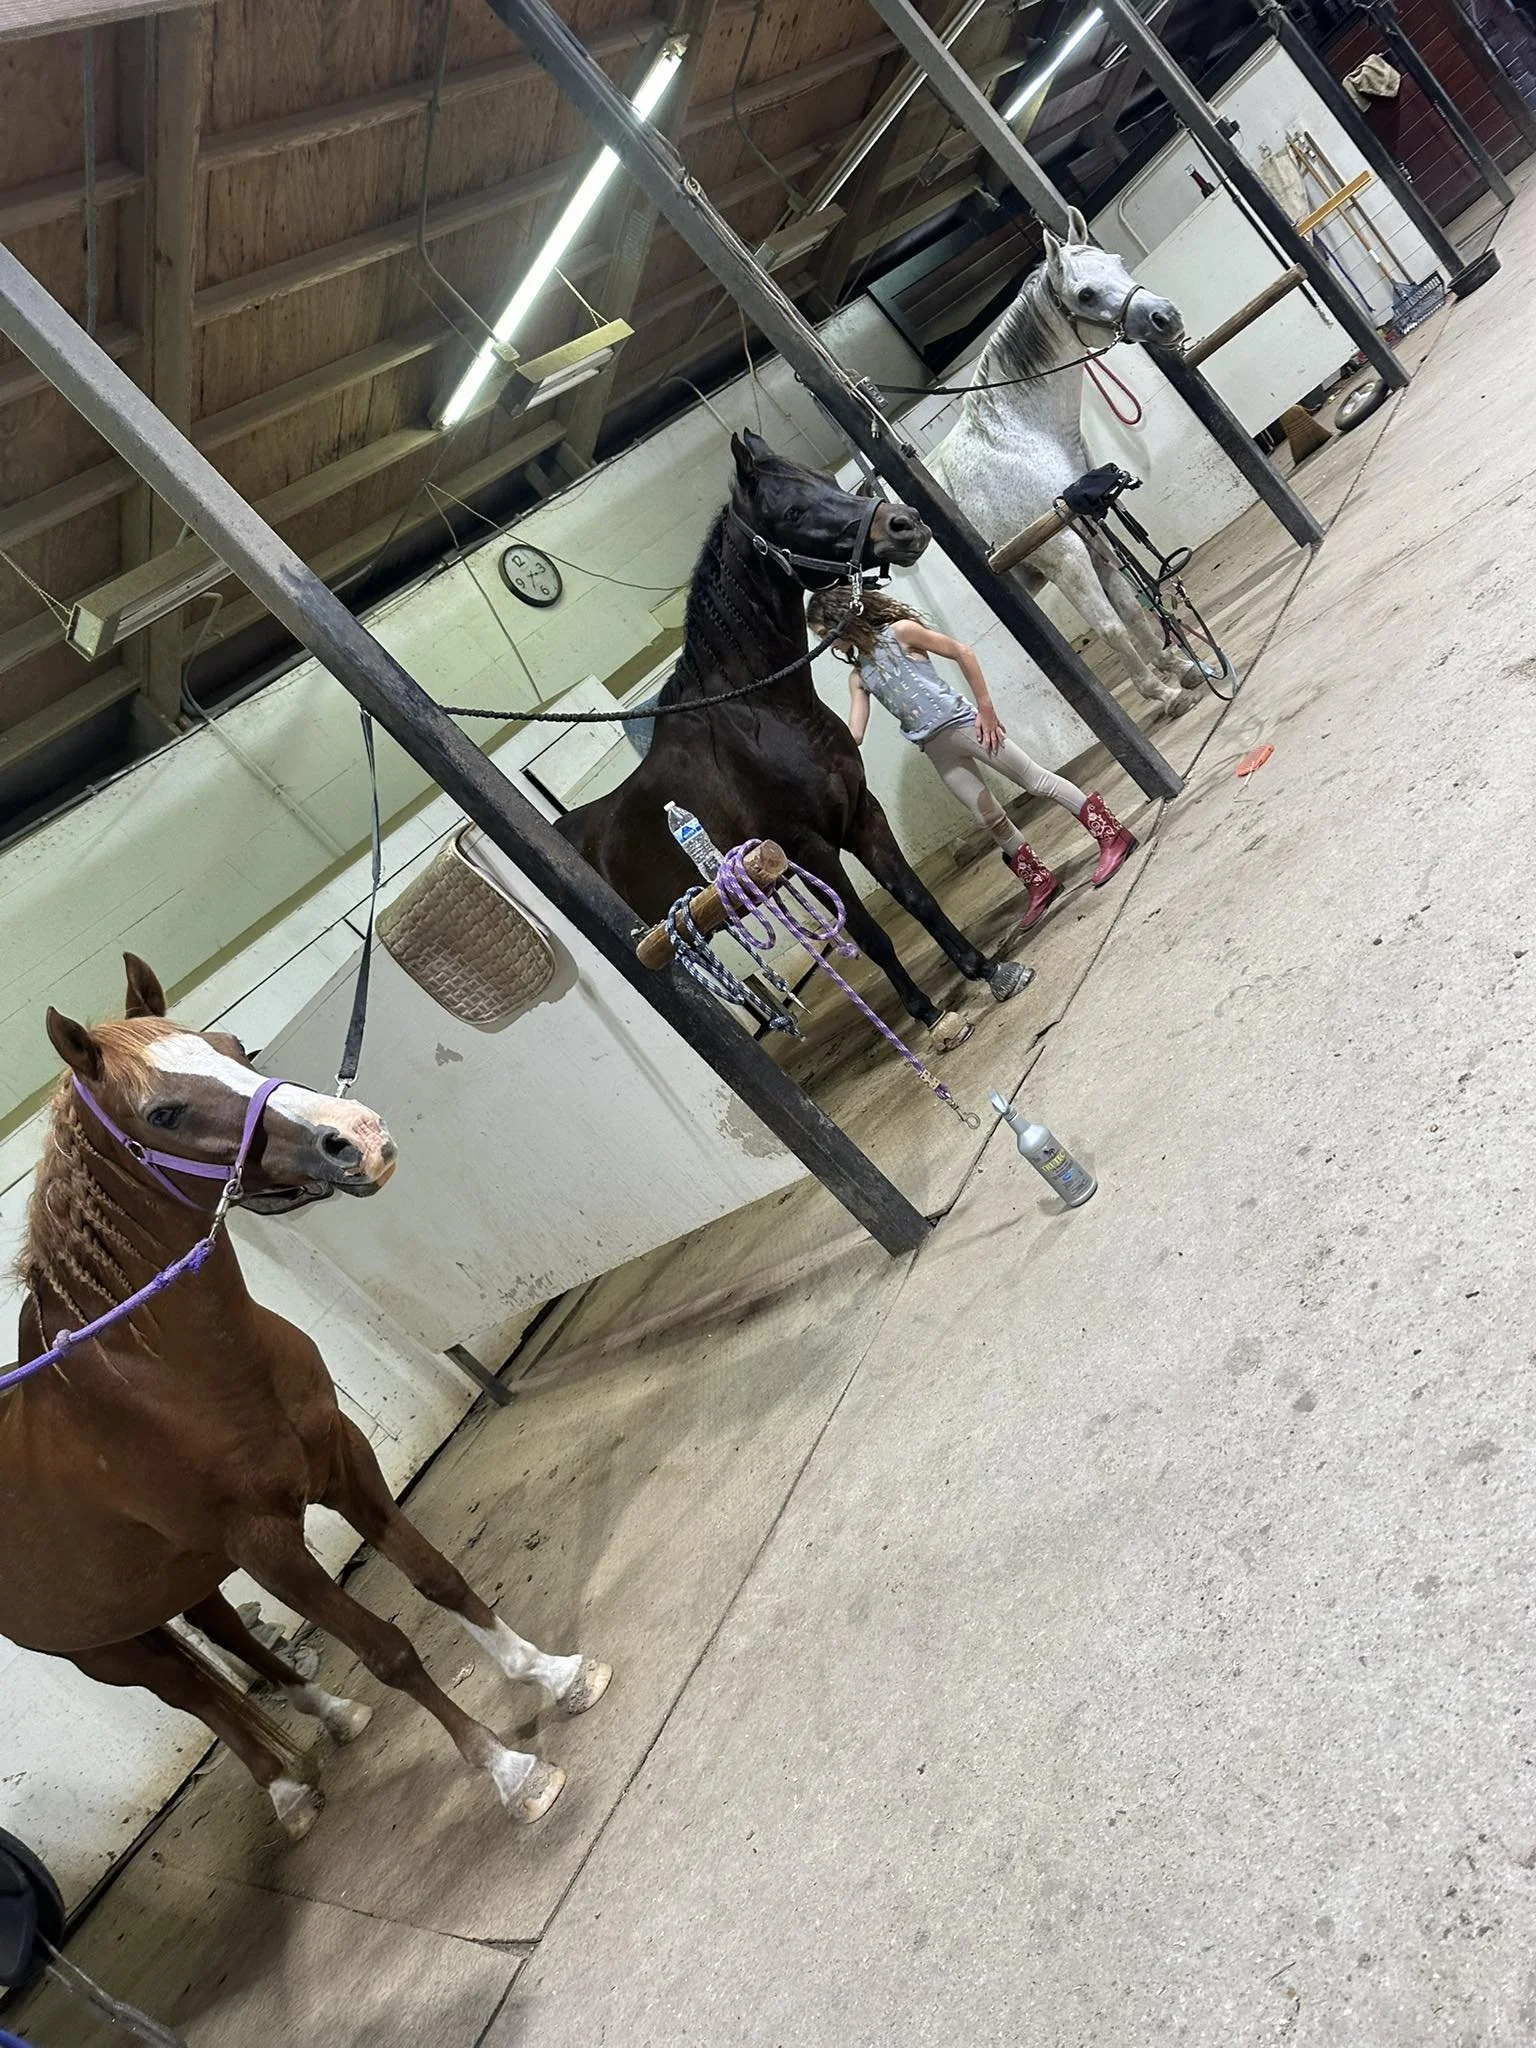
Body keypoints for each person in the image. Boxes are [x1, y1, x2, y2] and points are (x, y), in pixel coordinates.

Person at [807, 586, 1137, 929]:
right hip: (936, 748)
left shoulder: (900, 632)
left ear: (840, 618)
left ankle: (1113, 835)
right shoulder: (859, 678)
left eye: (824, 633)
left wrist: (985, 708)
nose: (827, 643)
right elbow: (855, 733)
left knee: (1036, 781)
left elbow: (962, 652)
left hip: (968, 726)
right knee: (989, 818)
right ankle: (1040, 882)